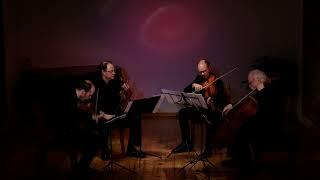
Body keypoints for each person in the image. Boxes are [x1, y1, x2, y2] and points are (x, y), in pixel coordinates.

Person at [221, 69, 284, 168]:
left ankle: (245, 163)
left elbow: (264, 112)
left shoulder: (268, 92)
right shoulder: (259, 93)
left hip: (268, 124)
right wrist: (232, 105)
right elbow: (245, 105)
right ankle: (238, 159)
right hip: (259, 121)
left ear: (257, 80)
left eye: (250, 82)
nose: (249, 86)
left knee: (241, 131)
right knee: (238, 128)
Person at [171, 59, 231, 157]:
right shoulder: (198, 79)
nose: (202, 73)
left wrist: (212, 100)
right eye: (200, 72)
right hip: (201, 110)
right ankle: (186, 144)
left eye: (204, 71)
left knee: (210, 117)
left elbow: (222, 99)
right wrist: (193, 85)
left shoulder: (218, 82)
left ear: (209, 68)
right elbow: (185, 90)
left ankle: (208, 149)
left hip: (212, 111)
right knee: (182, 113)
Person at [93, 60, 146, 158]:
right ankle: (104, 149)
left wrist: (127, 90)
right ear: (103, 72)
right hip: (103, 116)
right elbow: (93, 106)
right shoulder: (97, 85)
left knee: (135, 117)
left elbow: (128, 95)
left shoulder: (115, 82)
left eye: (114, 71)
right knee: (102, 124)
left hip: (116, 114)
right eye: (111, 71)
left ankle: (131, 149)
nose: (114, 73)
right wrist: (104, 115)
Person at [63, 79, 105, 177]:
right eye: (89, 95)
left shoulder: (75, 97)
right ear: (82, 92)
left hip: (71, 130)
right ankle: (81, 169)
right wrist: (92, 117)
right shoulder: (68, 99)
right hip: (65, 133)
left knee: (95, 136)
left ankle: (81, 168)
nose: (90, 98)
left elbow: (79, 116)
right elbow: (73, 119)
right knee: (96, 139)